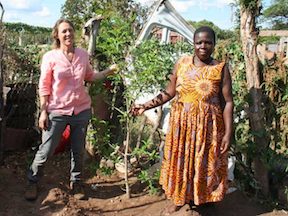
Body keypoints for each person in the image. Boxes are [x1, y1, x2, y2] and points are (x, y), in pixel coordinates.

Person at [131, 26, 233, 214]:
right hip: (182, 127)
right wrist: (145, 105)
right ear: (193, 44)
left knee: (205, 163)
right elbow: (169, 92)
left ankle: (205, 199)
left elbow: (227, 102)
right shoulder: (182, 64)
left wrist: (228, 133)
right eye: (199, 42)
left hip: (209, 128)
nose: (203, 46)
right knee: (181, 162)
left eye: (208, 42)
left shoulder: (220, 68)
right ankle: (180, 197)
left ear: (214, 44)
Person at [24, 18, 118, 201]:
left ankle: (76, 182)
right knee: (47, 149)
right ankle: (32, 181)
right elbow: (44, 86)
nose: (68, 34)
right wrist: (44, 111)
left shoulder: (83, 55)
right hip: (57, 111)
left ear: (74, 33)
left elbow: (89, 76)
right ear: (57, 35)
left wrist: (108, 72)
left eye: (70, 30)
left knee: (78, 149)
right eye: (63, 31)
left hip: (81, 110)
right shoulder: (50, 57)